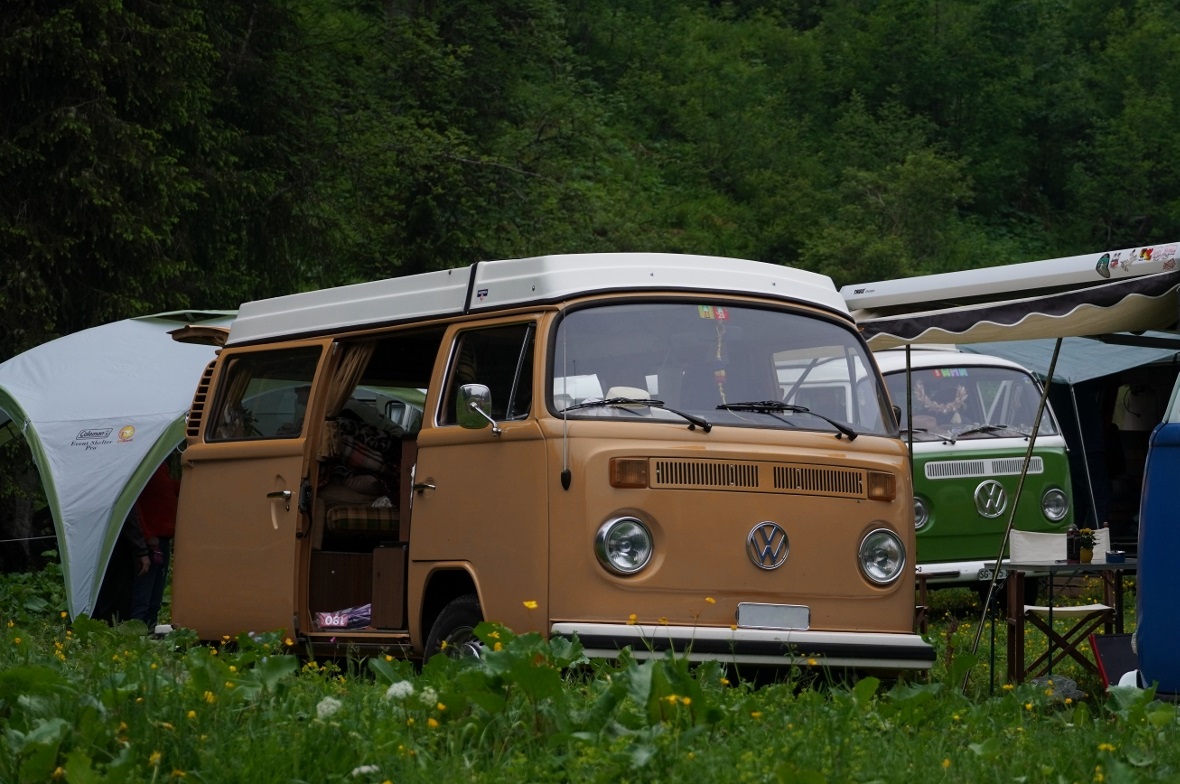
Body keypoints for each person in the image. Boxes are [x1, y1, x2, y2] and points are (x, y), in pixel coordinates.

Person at [130, 461, 180, 628]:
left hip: (162, 538)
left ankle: (150, 628)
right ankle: (136, 631)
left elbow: (168, 488)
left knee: (156, 592)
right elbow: (132, 505)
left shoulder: (160, 465)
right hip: (149, 541)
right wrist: (147, 535)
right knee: (143, 592)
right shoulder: (144, 465)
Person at [92, 507, 150, 624]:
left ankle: (99, 626)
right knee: (117, 596)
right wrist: (141, 550)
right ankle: (113, 628)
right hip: (120, 547)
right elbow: (129, 517)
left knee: (102, 593)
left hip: (97, 543)